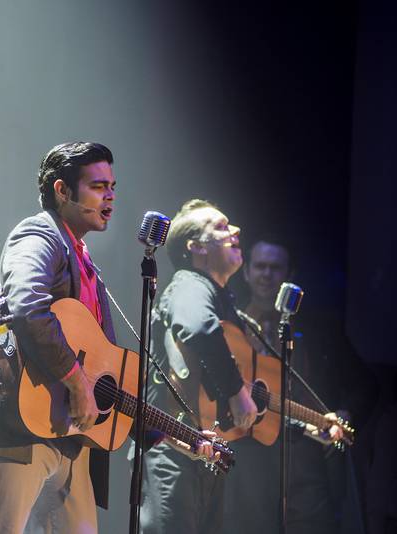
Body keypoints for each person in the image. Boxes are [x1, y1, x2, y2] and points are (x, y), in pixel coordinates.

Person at [0, 143, 218, 534]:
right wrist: (76, 381)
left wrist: (175, 436)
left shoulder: (85, 260)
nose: (110, 195)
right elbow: (26, 305)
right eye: (98, 186)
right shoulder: (38, 234)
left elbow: (103, 381)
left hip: (70, 440)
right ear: (62, 191)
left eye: (112, 186)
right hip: (15, 431)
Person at [220, 237, 378, 534]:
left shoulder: (320, 329)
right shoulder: (232, 324)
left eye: (275, 268)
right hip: (251, 456)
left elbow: (365, 384)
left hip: (306, 455)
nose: (267, 274)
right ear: (246, 272)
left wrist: (346, 412)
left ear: (289, 274)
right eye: (260, 267)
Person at [138, 199, 259, 533]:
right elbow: (197, 326)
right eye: (220, 227)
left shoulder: (222, 298)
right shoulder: (189, 284)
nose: (236, 231)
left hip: (205, 450)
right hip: (173, 448)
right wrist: (237, 392)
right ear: (195, 247)